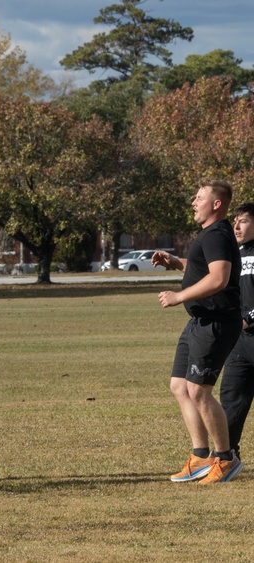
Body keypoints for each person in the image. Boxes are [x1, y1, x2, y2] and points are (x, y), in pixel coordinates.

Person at [153, 179, 243, 484]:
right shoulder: (210, 235)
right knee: (180, 386)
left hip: (216, 321)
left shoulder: (217, 233)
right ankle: (201, 457)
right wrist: (177, 263)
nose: (194, 202)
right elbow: (204, 268)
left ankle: (226, 459)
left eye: (199, 197)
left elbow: (219, 278)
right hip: (199, 321)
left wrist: (180, 296)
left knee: (198, 390)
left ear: (216, 204)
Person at [221, 203, 254, 459]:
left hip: (246, 326)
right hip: (240, 342)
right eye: (235, 220)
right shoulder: (235, 254)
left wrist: (249, 318)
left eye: (242, 220)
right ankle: (227, 456)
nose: (236, 226)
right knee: (231, 399)